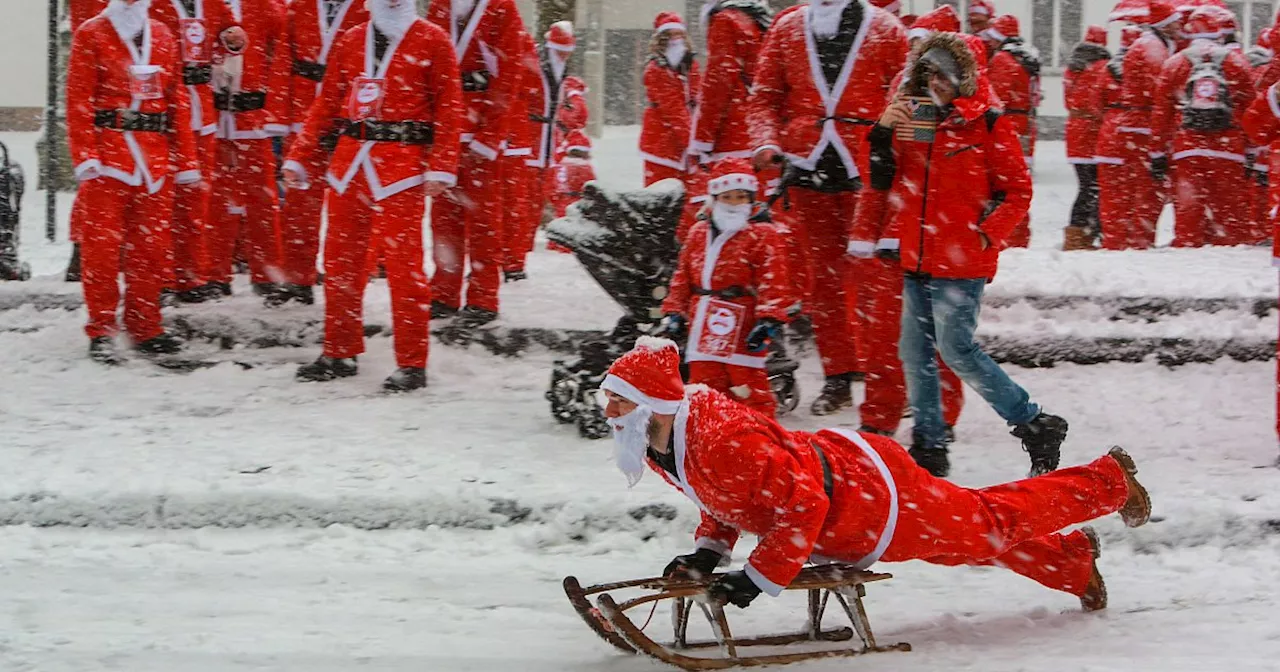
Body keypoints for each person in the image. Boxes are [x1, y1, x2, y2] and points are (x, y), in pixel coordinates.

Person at [598, 338, 1152, 612]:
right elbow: (726, 497)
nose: (608, 413)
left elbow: (803, 504)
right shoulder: (664, 440)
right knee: (969, 538)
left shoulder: (723, 441)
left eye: (617, 401)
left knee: (985, 526)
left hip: (870, 498)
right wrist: (709, 552)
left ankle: (1108, 482)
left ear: (653, 402)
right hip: (854, 483)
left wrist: (756, 579)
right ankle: (1072, 564)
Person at [849, 32, 1067, 478]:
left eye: (945, 74)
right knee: (914, 353)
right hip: (917, 259)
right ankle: (929, 445)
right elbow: (881, 180)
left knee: (957, 350)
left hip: (961, 262)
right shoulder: (915, 119)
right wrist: (883, 131)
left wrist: (986, 235)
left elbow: (1018, 191)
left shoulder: (986, 122)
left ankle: (1033, 422)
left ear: (962, 78)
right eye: (928, 72)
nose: (937, 82)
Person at [284, 0, 463, 392]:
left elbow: (449, 107)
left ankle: (412, 363)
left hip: (403, 166)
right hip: (351, 164)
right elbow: (327, 104)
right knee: (340, 261)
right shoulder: (351, 39)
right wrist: (300, 155)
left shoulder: (433, 40)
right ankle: (339, 350)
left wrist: (442, 164)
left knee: (405, 267)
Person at [748, 0, 907, 416]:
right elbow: (764, 96)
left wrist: (901, 149)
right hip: (806, 168)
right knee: (824, 283)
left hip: (869, 169)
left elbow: (907, 94)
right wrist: (766, 141)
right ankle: (839, 377)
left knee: (876, 283)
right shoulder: (786, 28)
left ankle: (884, 381)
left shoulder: (886, 29)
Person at [67, 0, 201, 363]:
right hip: (108, 157)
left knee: (151, 250)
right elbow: (79, 99)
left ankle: (146, 325)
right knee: (103, 252)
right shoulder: (92, 32)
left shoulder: (161, 33)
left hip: (155, 160)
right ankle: (102, 328)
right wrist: (87, 157)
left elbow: (177, 101)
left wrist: (186, 160)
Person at [425, 0, 532, 327]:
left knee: (484, 219)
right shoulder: (439, 6)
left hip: (483, 123)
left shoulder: (502, 9)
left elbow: (509, 74)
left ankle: (484, 297)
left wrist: (490, 134)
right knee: (444, 218)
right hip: (446, 125)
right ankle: (444, 291)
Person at [659, 160, 793, 417]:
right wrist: (675, 310)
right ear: (715, 197)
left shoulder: (762, 234)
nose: (733, 203)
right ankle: (709, 439)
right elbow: (682, 275)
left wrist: (769, 319)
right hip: (704, 323)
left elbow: (774, 278)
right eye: (726, 197)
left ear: (751, 198)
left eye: (740, 197)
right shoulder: (698, 232)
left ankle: (761, 442)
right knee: (703, 389)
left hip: (742, 321)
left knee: (749, 388)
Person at [274, 0, 369, 305]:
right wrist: (278, 117)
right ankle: (296, 277)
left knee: (352, 206)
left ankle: (350, 279)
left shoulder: (368, 9)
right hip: (302, 114)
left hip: (350, 118)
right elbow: (282, 60)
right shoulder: (298, 7)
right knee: (299, 204)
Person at [149, 0, 243, 303]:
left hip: (201, 107)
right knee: (162, 200)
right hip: (165, 107)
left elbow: (228, 30)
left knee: (198, 198)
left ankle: (190, 275)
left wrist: (233, 40)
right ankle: (161, 276)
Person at [1151, 6, 1256, 248]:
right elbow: (1251, 108)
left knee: (1189, 206)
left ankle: (1189, 250)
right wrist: (1250, 150)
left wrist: (1157, 151)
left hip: (1188, 146)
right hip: (1228, 146)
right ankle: (1226, 248)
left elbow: (1161, 112)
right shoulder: (1236, 62)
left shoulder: (1175, 63)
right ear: (1218, 31)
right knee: (1228, 209)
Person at [502, 21, 587, 280]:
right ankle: (511, 259)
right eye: (561, 50)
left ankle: (517, 255)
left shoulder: (556, 68)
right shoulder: (534, 63)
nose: (565, 55)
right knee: (520, 203)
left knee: (535, 202)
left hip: (545, 141)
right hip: (528, 140)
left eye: (568, 51)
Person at [1097, 0, 1183, 250]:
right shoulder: (1153, 49)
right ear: (1165, 25)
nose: (1181, 26)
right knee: (1145, 191)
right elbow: (1162, 93)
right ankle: (1136, 245)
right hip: (1143, 127)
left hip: (1135, 126)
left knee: (1126, 193)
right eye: (1176, 21)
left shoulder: (1149, 45)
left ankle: (1123, 242)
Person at [982, 15, 1040, 248]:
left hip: (1008, 124)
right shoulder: (1027, 58)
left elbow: (996, 98)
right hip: (1026, 124)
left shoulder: (1003, 60)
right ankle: (1020, 235)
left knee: (1005, 185)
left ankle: (1011, 238)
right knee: (1020, 180)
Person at [1062, 25, 1111, 251]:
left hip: (1074, 131)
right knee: (1096, 187)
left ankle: (1075, 235)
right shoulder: (1102, 67)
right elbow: (1098, 102)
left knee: (1085, 186)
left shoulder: (1071, 69)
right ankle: (1087, 233)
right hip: (1093, 132)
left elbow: (1068, 101)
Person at [549, 129, 597, 219]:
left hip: (560, 204)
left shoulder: (560, 165)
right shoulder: (584, 167)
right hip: (577, 205)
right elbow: (591, 186)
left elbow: (551, 187)